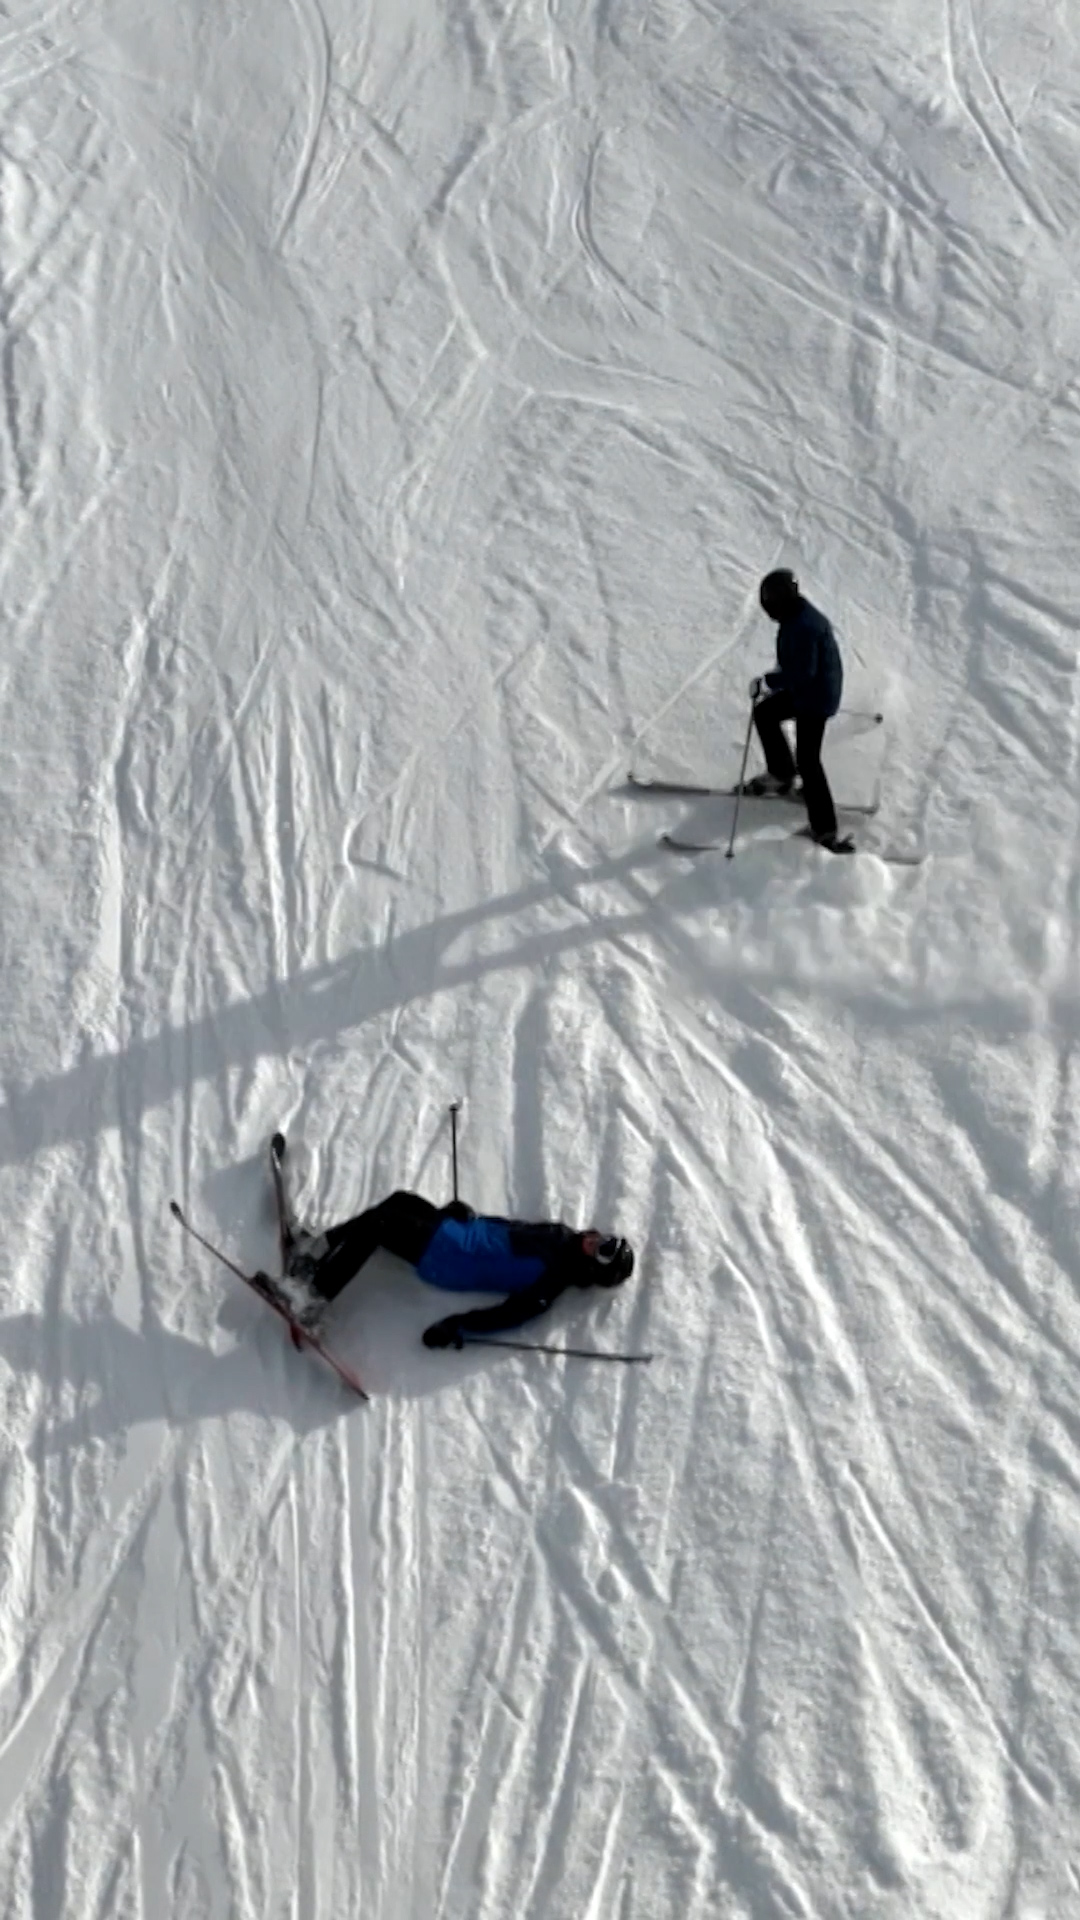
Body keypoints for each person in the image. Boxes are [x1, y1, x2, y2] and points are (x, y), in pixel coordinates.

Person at [262, 1191, 635, 1346]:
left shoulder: (552, 1280)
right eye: (606, 1238)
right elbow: (508, 1230)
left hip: (448, 1258)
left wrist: (457, 1328)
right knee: (399, 1199)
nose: (596, 1240)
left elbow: (509, 1315)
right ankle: (314, 1251)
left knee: (380, 1224)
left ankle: (311, 1299)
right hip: (455, 1233)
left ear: (594, 1268)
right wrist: (469, 1216)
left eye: (602, 1250)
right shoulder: (563, 1236)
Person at [745, 569, 851, 854]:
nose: (769, 611)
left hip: (815, 698)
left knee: (808, 760)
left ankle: (825, 829)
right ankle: (781, 773)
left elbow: (804, 672)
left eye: (770, 604)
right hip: (806, 691)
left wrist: (771, 681)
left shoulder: (804, 625)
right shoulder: (795, 616)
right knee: (765, 713)